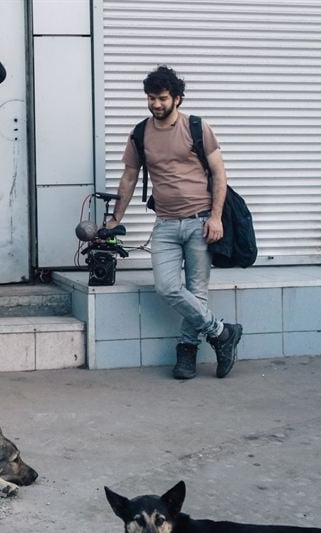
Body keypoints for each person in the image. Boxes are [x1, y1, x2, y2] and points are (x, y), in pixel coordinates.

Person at [105, 65, 244, 380]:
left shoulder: (197, 128)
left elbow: (220, 174)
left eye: (162, 98)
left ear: (177, 99)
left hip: (200, 221)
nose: (155, 104)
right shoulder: (140, 134)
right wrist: (115, 218)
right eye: (151, 98)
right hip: (166, 224)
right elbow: (129, 177)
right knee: (167, 286)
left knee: (197, 291)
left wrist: (217, 217)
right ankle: (222, 333)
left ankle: (186, 353)